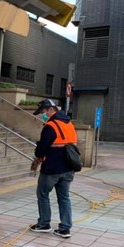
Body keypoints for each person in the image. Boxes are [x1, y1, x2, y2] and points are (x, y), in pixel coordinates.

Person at [29, 98, 77, 238]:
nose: (43, 115)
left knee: (43, 194)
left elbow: (41, 150)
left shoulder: (51, 126)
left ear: (51, 110)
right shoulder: (69, 123)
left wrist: (38, 154)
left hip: (52, 168)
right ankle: (65, 228)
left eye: (44, 112)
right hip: (68, 168)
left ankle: (44, 224)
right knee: (64, 197)